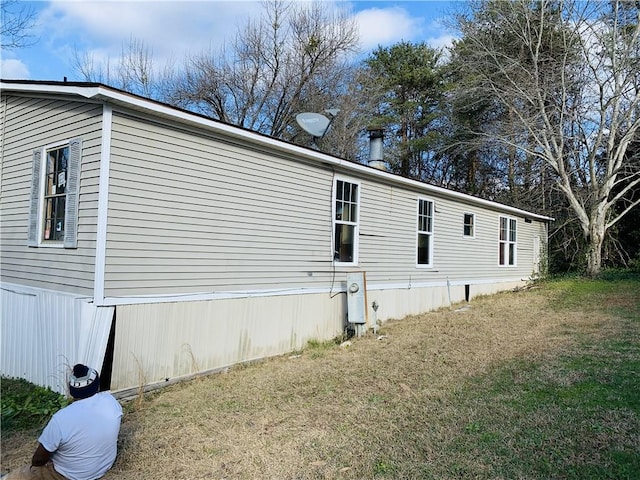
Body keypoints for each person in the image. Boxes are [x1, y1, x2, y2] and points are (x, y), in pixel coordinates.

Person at [5, 364, 123, 480]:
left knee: (23, 474)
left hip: (71, 475)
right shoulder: (111, 402)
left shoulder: (61, 418)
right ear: (96, 386)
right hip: (102, 467)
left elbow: (38, 460)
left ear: (72, 391)